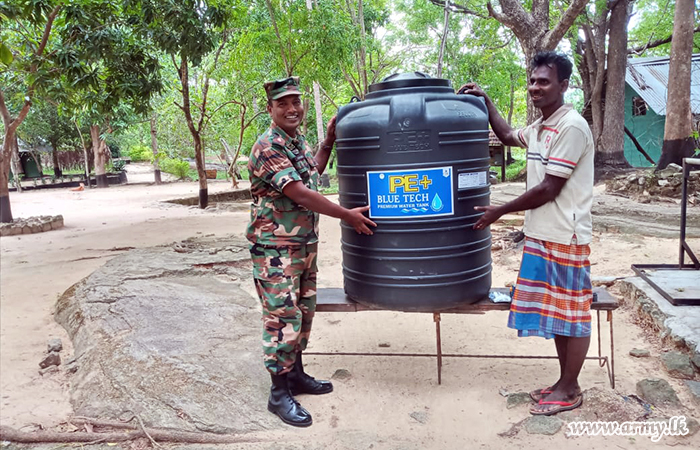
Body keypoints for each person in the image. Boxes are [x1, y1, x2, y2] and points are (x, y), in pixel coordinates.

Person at [460, 52, 594, 416]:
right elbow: (506, 135)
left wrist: (499, 211)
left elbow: (549, 188)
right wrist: (485, 99)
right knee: (559, 313)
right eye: (533, 81)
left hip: (565, 235)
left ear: (564, 85)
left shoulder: (571, 127)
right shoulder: (540, 127)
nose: (535, 87)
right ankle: (564, 382)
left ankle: (570, 388)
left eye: (544, 82)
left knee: (573, 313)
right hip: (542, 233)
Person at [246, 76, 376, 427]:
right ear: (270, 109)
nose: (292, 109)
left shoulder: (296, 141)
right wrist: (346, 215)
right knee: (281, 317)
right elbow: (300, 192)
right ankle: (278, 395)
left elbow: (312, 172)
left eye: (296, 102)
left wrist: (328, 141)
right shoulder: (268, 146)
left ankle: (296, 376)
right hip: (275, 250)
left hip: (303, 245)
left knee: (303, 311)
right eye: (283, 104)